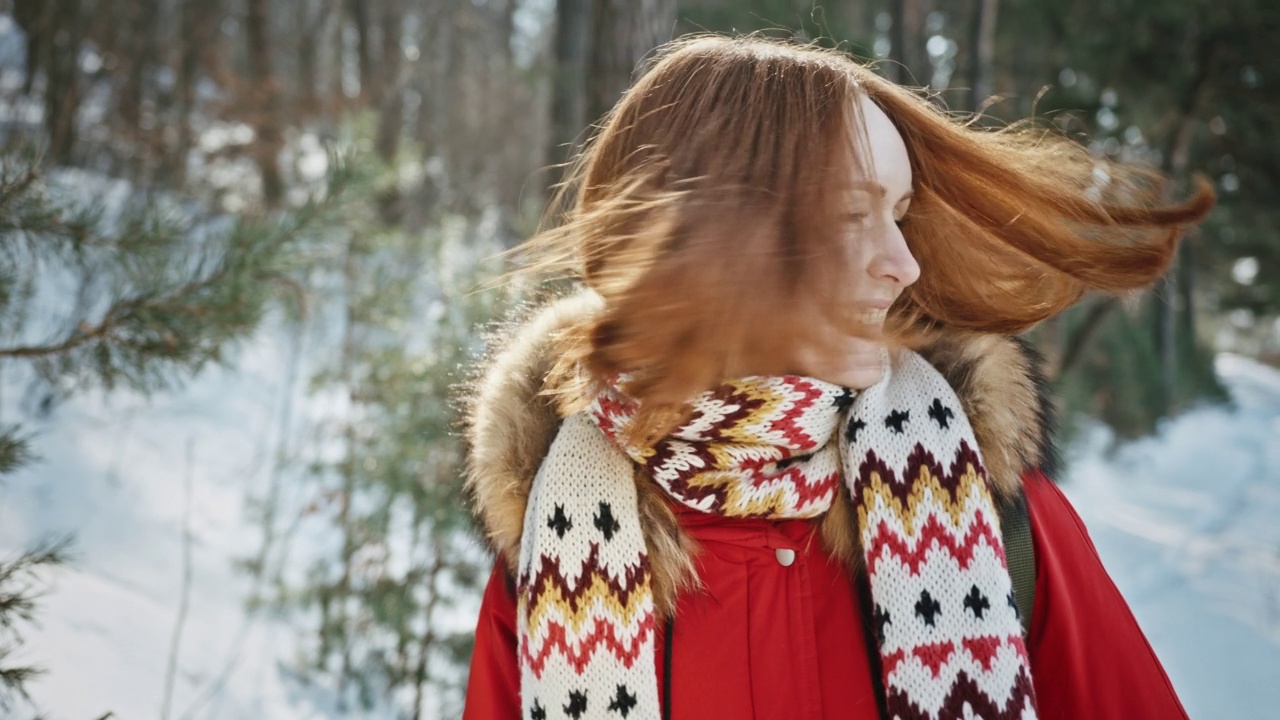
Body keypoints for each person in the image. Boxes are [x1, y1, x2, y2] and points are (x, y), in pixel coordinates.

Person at [460, 35, 1213, 720]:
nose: (904, 264)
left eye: (901, 214)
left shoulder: (990, 512)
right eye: (856, 215)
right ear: (718, 235)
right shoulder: (560, 547)